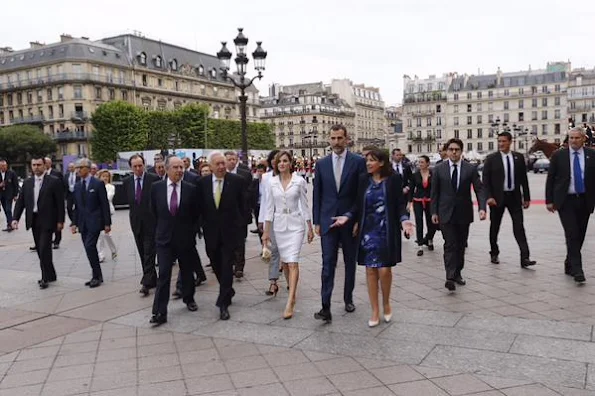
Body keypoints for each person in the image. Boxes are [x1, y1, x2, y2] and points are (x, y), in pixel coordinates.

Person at [332, 148, 414, 327]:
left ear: (382, 162)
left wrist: (405, 220)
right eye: (367, 160)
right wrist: (347, 217)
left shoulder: (393, 180)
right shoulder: (363, 180)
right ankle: (375, 309)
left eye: (372, 160)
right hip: (367, 232)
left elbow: (400, 204)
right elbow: (357, 205)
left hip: (386, 231)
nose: (368, 163)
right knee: (370, 270)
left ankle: (386, 302)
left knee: (384, 270)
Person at [312, 124, 366, 322]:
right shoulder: (321, 164)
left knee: (350, 262)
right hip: (327, 221)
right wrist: (317, 221)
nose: (336, 142)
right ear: (329, 139)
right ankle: (325, 306)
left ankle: (348, 297)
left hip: (349, 221)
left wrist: (356, 220)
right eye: (333, 138)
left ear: (347, 139)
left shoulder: (358, 162)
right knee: (327, 264)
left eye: (339, 138)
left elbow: (361, 195)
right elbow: (317, 193)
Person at [262, 151, 314, 319]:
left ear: (291, 163)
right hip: (279, 225)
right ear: (276, 165)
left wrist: (309, 226)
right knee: (285, 263)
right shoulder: (271, 182)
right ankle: (291, 291)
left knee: (292, 262)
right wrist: (266, 231)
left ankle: (290, 300)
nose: (282, 164)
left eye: (285, 161)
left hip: (295, 225)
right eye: (279, 162)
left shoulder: (299, 181)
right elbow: (269, 208)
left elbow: (305, 205)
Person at [431, 138, 487, 291]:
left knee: (461, 245)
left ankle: (457, 273)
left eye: (457, 149)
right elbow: (434, 193)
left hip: (463, 213)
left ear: (461, 151)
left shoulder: (470, 169)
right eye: (451, 149)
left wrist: (482, 207)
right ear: (447, 151)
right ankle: (449, 276)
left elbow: (479, 189)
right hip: (445, 213)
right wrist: (434, 212)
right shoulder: (438, 169)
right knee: (450, 244)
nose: (454, 152)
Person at [149, 156, 199, 326]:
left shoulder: (191, 189)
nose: (179, 170)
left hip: (185, 238)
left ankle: (189, 298)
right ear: (167, 169)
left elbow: (196, 215)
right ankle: (159, 311)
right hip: (164, 239)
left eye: (181, 167)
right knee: (163, 274)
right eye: (176, 167)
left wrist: (191, 232)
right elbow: (154, 212)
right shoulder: (156, 188)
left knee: (186, 271)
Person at [197, 152, 248, 320]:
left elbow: (243, 206)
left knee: (227, 266)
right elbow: (199, 209)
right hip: (211, 233)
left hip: (230, 233)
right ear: (210, 166)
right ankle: (229, 290)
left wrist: (241, 228)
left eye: (222, 163)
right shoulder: (202, 184)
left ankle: (223, 303)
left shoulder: (236, 182)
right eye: (217, 164)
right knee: (216, 264)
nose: (221, 167)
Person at [546, 126, 595, 283]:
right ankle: (577, 269)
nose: (573, 141)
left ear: (583, 139)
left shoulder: (591, 155)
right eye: (571, 138)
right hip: (565, 200)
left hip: (585, 199)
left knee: (580, 235)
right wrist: (549, 200)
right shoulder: (558, 156)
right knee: (572, 233)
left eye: (576, 138)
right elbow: (551, 179)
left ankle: (569, 262)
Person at [483, 132, 535, 268]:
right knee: (495, 227)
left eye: (503, 141)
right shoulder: (491, 158)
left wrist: (527, 197)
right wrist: (488, 197)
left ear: (510, 142)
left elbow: (524, 179)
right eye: (499, 141)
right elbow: (486, 181)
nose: (501, 144)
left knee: (519, 227)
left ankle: (525, 257)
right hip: (497, 199)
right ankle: (494, 252)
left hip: (514, 197)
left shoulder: (518, 157)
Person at [12, 157, 65, 289]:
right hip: (34, 220)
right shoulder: (28, 183)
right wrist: (15, 219)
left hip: (48, 220)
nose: (36, 167)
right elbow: (21, 202)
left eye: (39, 165)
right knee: (41, 250)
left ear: (45, 166)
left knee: (44, 248)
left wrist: (60, 221)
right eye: (34, 165)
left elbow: (60, 203)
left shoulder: (54, 182)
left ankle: (45, 277)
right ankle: (51, 273)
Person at [71, 158, 112, 288]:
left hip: (95, 221)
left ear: (88, 169)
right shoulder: (77, 186)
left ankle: (97, 276)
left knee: (90, 246)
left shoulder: (97, 184)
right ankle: (96, 275)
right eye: (77, 168)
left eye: (80, 167)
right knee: (89, 249)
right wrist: (74, 223)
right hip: (83, 223)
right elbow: (76, 206)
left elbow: (104, 204)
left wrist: (107, 223)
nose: (78, 170)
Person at [124, 154, 160, 296]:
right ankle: (152, 278)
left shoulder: (153, 179)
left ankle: (146, 283)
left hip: (151, 223)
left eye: (140, 165)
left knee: (149, 253)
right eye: (135, 166)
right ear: (131, 167)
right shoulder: (127, 182)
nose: (138, 169)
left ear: (144, 165)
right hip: (136, 223)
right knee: (142, 253)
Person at [224, 151, 253, 279]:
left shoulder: (244, 174)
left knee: (240, 241)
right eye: (229, 159)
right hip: (225, 214)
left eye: (234, 159)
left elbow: (249, 192)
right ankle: (230, 264)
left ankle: (239, 266)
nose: (232, 161)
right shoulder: (220, 173)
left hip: (240, 213)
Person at [258, 150, 282, 295]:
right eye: (272, 159)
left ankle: (290, 279)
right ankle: (273, 282)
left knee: (285, 253)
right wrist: (262, 220)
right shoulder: (266, 177)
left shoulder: (292, 176)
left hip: (286, 219)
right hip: (271, 218)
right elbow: (265, 200)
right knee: (274, 250)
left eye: (278, 159)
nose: (275, 161)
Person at [408, 155, 436, 256]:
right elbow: (411, 189)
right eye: (419, 162)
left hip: (430, 200)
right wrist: (409, 202)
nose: (420, 164)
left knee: (431, 222)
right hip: (418, 201)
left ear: (428, 163)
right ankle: (420, 245)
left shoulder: (433, 174)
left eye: (422, 162)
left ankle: (429, 240)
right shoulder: (415, 175)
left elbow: (436, 187)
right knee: (419, 222)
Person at [96, 170, 118, 263]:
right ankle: (101, 255)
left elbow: (108, 197)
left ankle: (113, 250)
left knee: (106, 233)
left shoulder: (111, 187)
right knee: (101, 235)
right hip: (98, 213)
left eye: (107, 176)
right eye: (103, 176)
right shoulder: (97, 186)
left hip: (108, 212)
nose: (105, 178)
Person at [44, 157, 63, 249]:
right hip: (44, 205)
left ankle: (57, 241)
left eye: (47, 163)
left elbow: (62, 186)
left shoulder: (57, 173)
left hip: (55, 203)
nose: (45, 165)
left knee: (56, 223)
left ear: (50, 163)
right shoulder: (41, 174)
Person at [0, 159, 19, 232]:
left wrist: (15, 195)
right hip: (1, 195)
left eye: (4, 165)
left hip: (9, 195)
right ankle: (9, 224)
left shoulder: (12, 173)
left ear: (7, 166)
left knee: (8, 210)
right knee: (5, 210)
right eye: (2, 166)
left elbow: (16, 184)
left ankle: (10, 225)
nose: (3, 167)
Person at [251, 163, 267, 238]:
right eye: (258, 171)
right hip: (257, 206)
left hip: (266, 207)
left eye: (261, 171)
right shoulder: (255, 182)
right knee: (259, 224)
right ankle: (262, 243)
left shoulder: (268, 182)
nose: (260, 173)